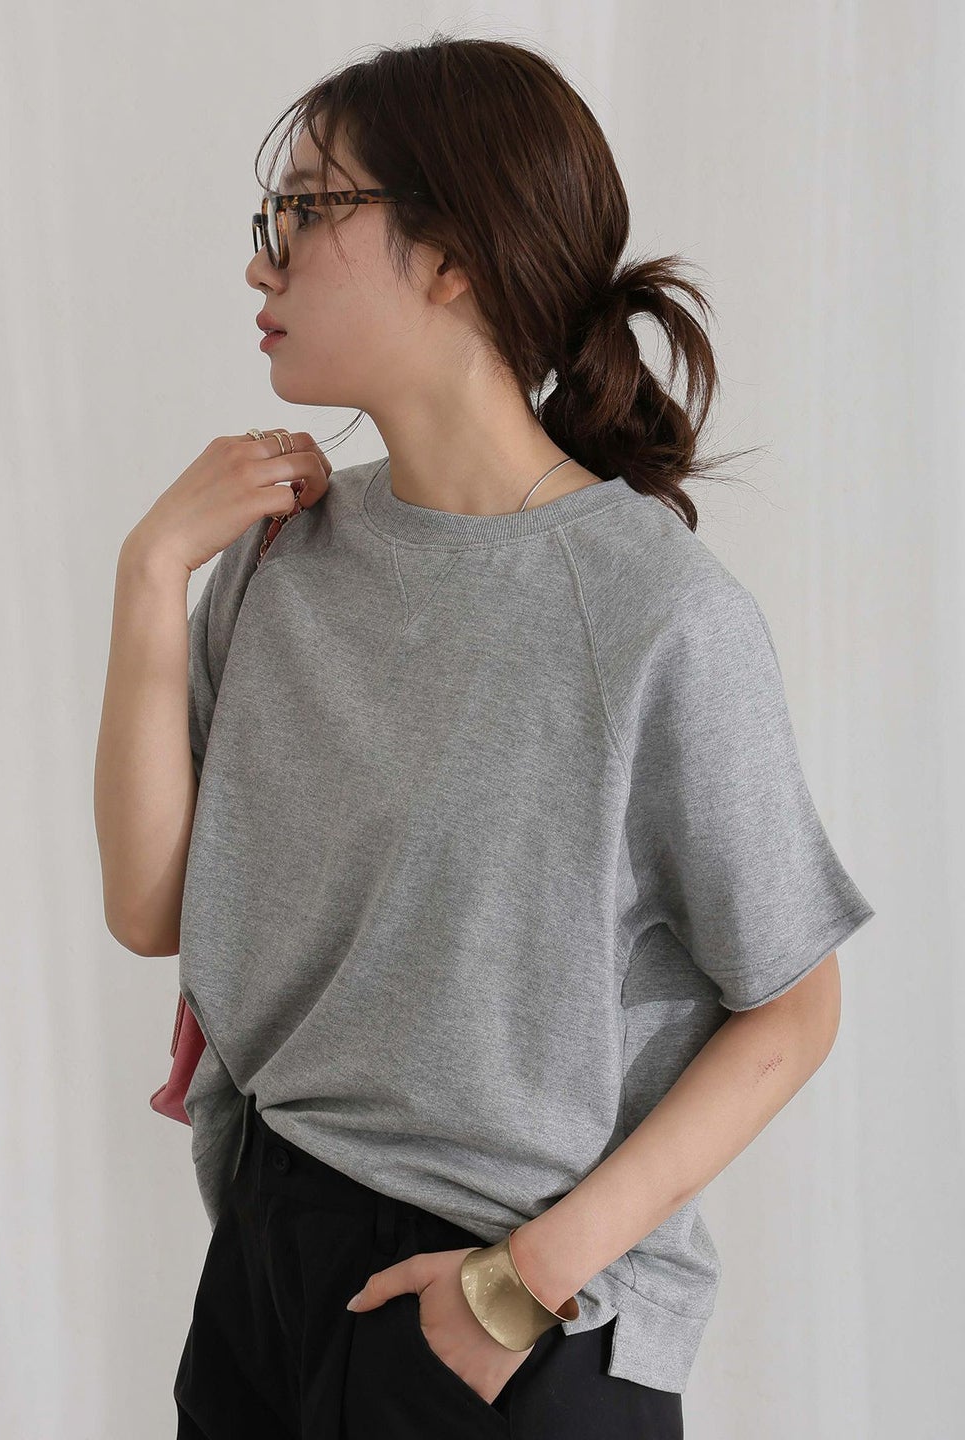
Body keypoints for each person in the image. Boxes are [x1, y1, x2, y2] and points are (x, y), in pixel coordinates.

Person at [94, 32, 876, 1440]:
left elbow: (794, 1003)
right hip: (267, 1256)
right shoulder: (275, 557)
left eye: (306, 210)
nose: (263, 264)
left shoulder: (652, 611)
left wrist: (526, 1282)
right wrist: (150, 575)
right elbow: (154, 909)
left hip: (502, 1304)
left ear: (451, 255)